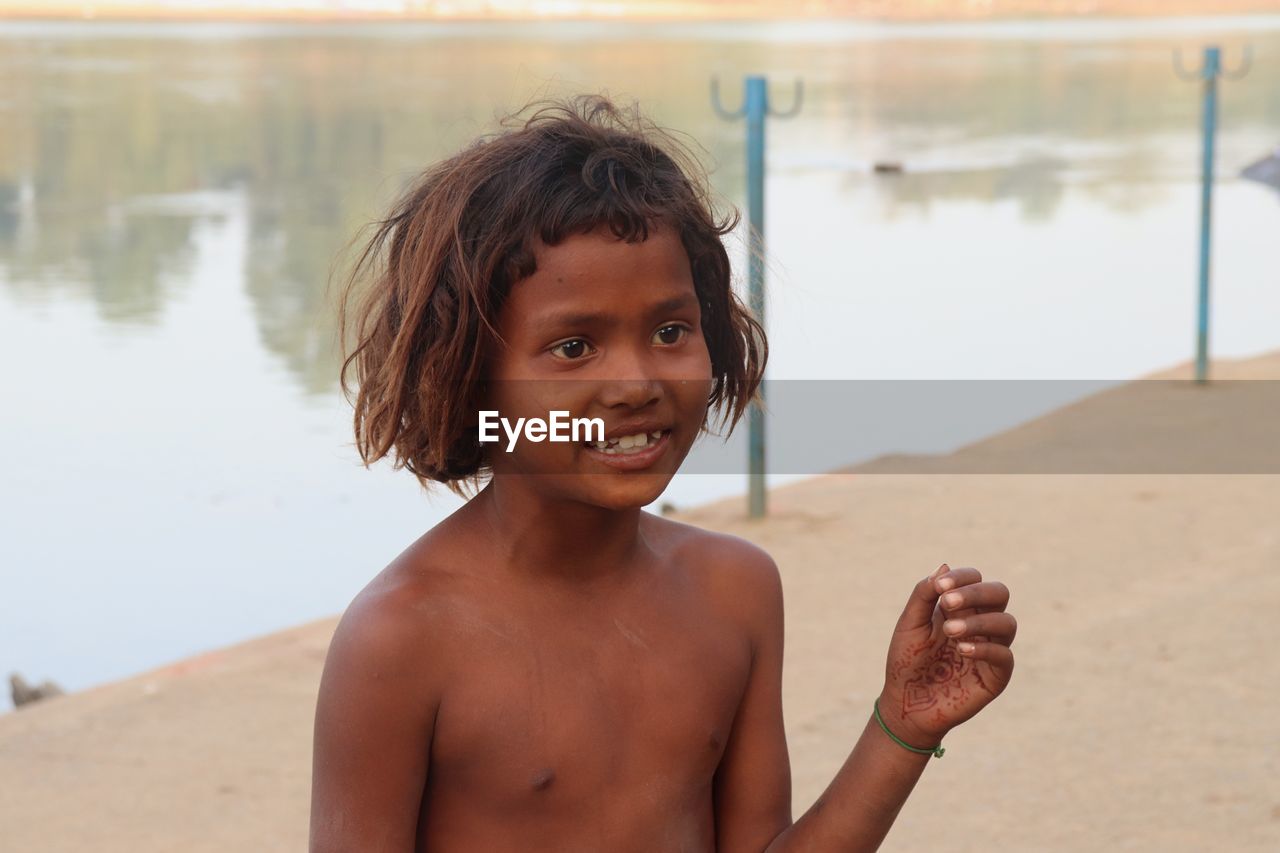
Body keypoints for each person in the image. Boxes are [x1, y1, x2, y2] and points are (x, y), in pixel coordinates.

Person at [311, 93, 1017, 852]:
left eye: (671, 330)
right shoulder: (401, 639)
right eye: (574, 347)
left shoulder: (735, 589)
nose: (636, 382)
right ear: (469, 375)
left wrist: (902, 727)